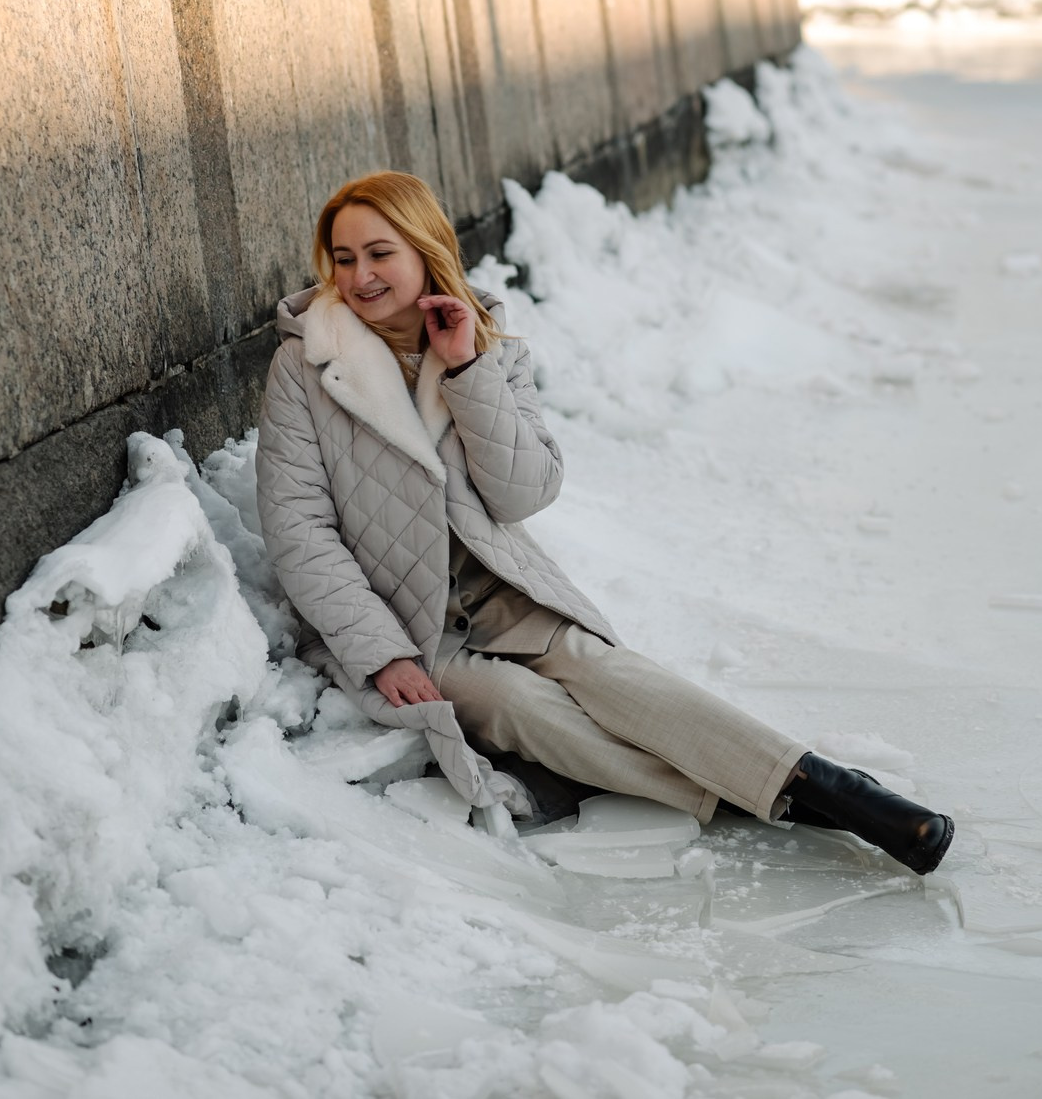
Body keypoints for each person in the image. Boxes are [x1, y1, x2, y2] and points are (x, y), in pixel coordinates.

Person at [255, 172, 953, 875]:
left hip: (503, 596)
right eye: (343, 259)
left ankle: (833, 787)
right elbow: (300, 530)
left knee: (612, 677)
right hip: (406, 622)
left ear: (425, 250)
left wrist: (467, 370)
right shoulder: (304, 367)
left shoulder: (489, 350)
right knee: (517, 703)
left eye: (380, 253)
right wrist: (381, 651)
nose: (360, 276)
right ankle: (787, 797)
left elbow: (523, 493)